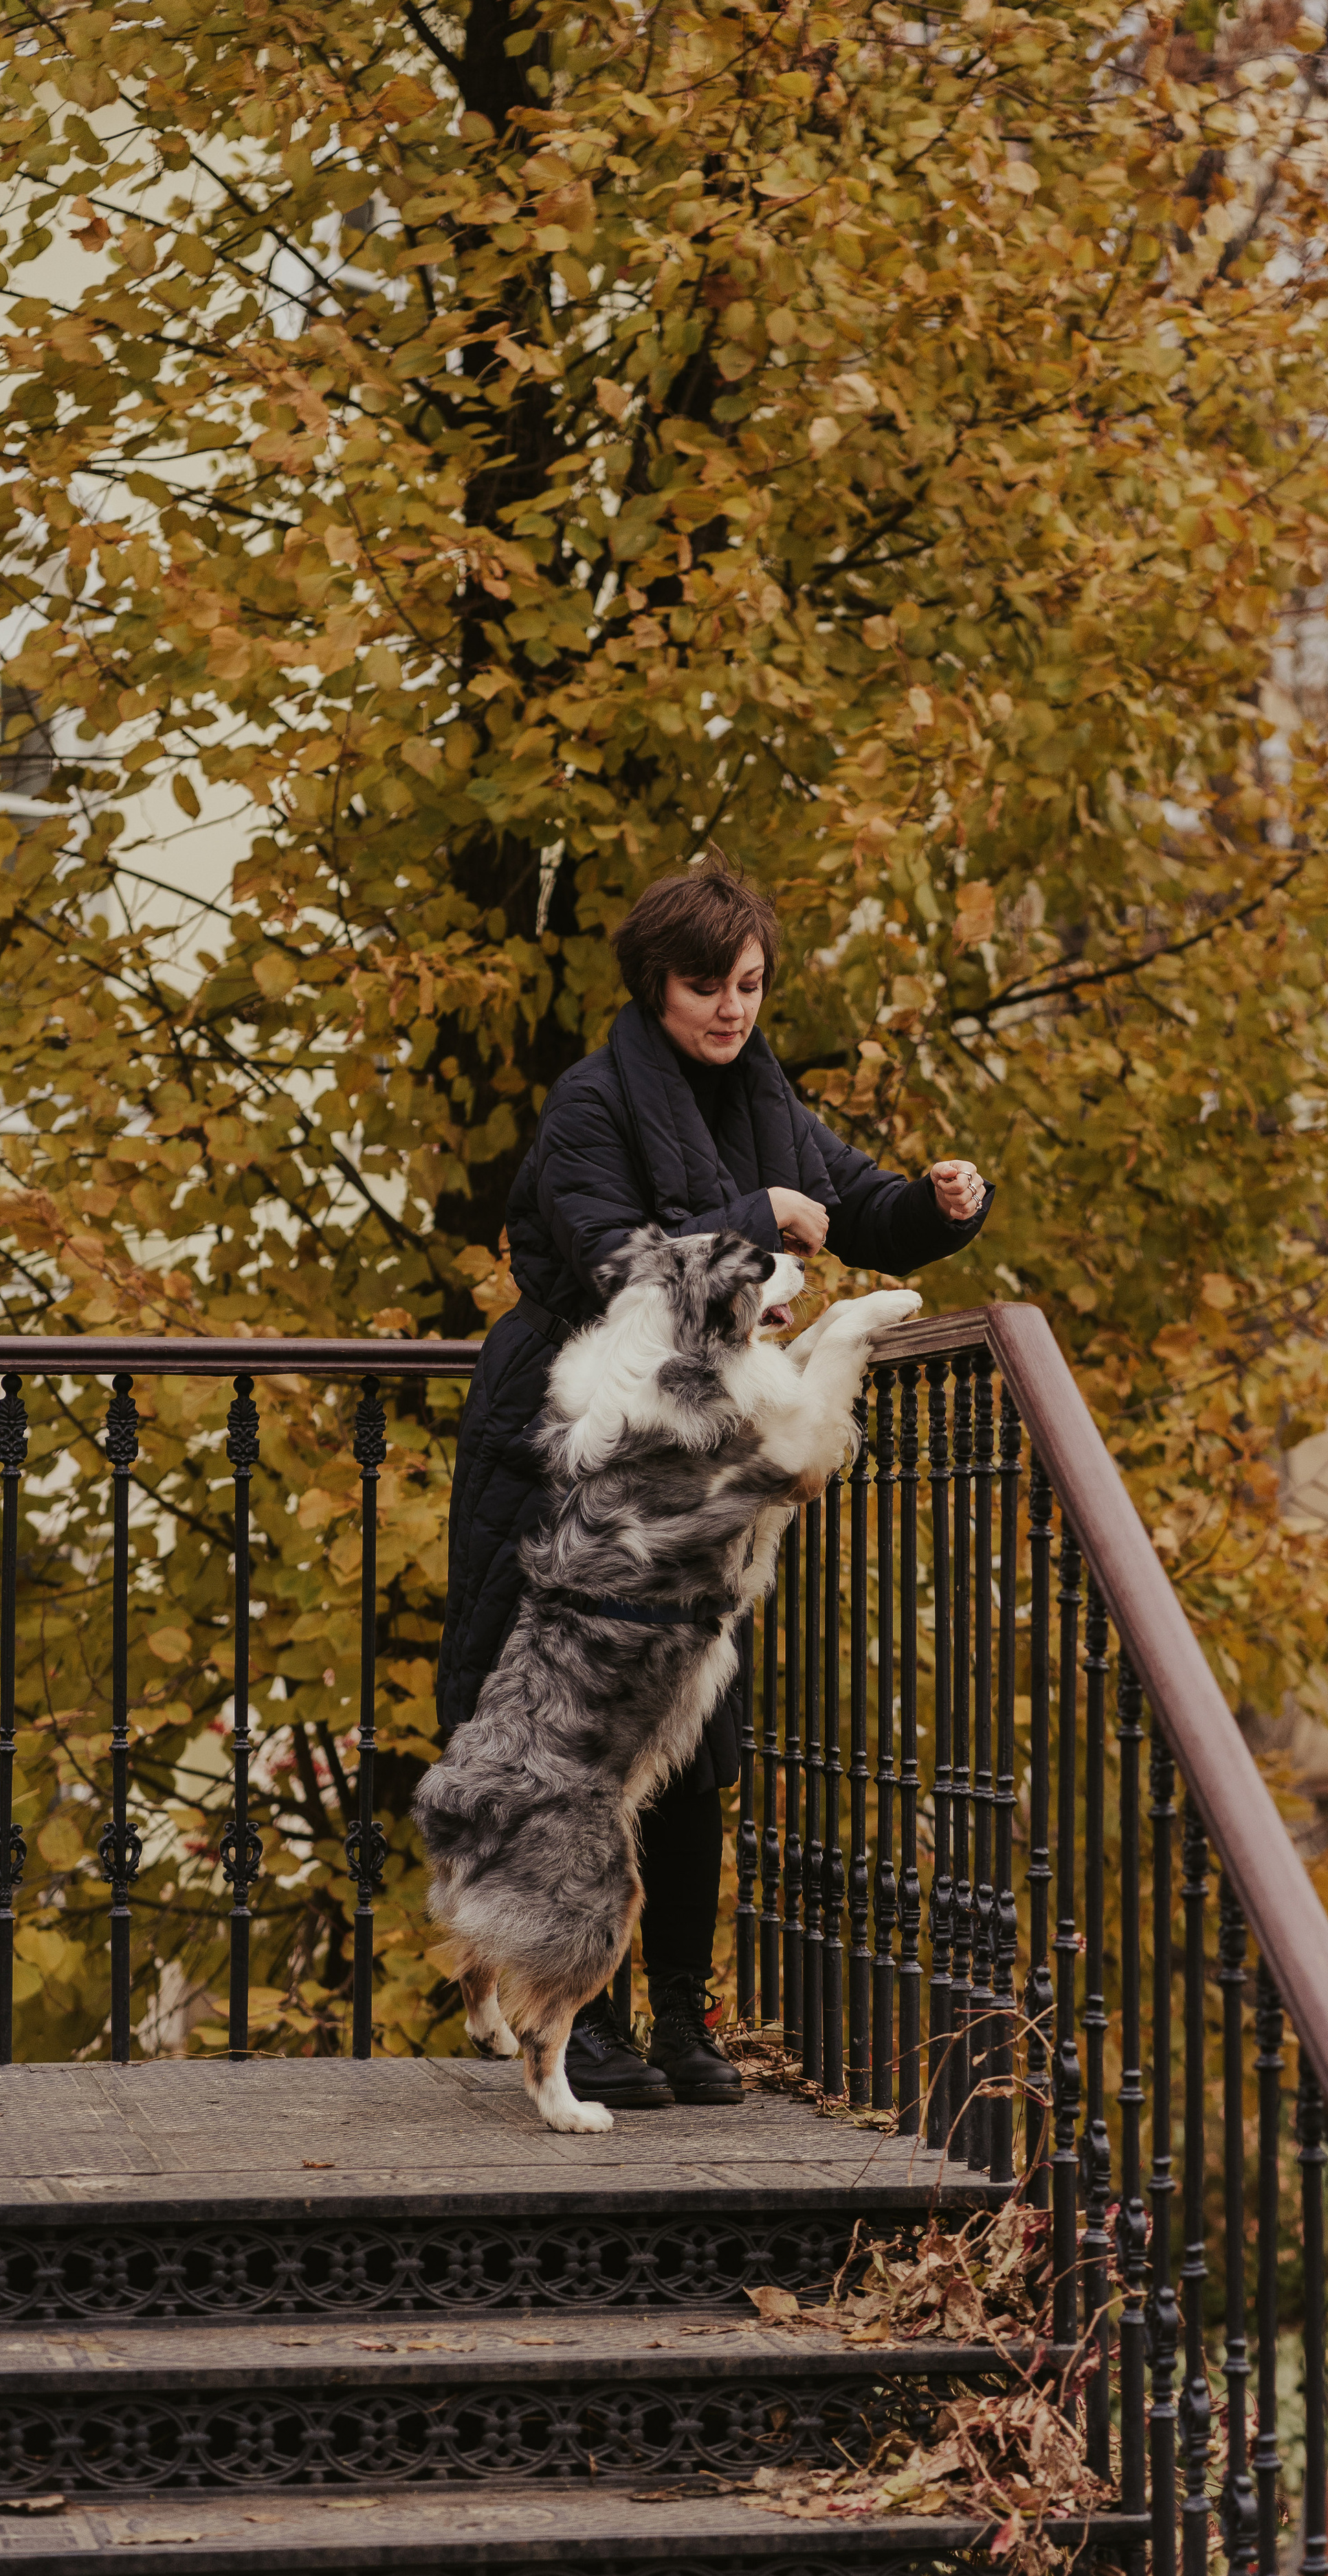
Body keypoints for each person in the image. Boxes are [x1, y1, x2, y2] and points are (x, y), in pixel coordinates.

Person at [435, 850, 993, 2112]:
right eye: (705, 987)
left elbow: (853, 1206)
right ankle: (592, 2024)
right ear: (654, 984)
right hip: (571, 1450)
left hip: (689, 1456)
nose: (731, 1009)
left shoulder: (759, 1090)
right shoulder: (592, 1103)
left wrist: (939, 1204)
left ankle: (683, 2018)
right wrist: (758, 1212)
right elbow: (615, 1264)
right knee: (580, 1736)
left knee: (693, 1735)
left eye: (747, 984)